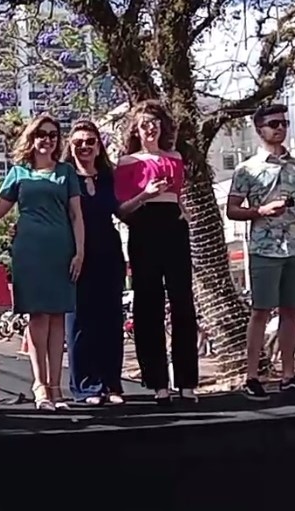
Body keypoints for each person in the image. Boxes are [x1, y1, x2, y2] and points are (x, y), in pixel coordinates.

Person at [226, 104, 295, 401]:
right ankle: (252, 377)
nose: (280, 128)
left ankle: (289, 375)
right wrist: (260, 210)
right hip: (264, 248)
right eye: (273, 124)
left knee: (291, 311)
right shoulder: (247, 169)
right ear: (260, 130)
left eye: (284, 123)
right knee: (260, 311)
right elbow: (232, 209)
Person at [0, 114, 85, 410]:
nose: (47, 140)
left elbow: (76, 215)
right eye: (41, 134)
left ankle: (56, 388)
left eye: (53, 135)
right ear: (31, 139)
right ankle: (40, 385)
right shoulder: (19, 172)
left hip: (61, 250)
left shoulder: (66, 172)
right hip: (29, 252)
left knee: (58, 317)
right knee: (38, 317)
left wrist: (80, 252)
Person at [114, 100, 198, 403]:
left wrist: (184, 211)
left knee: (183, 302)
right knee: (148, 303)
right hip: (143, 227)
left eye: (155, 123)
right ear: (136, 130)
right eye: (144, 124)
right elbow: (121, 209)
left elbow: (177, 193)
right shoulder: (127, 163)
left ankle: (187, 381)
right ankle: (158, 381)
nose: (150, 128)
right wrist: (145, 194)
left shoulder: (175, 157)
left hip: (174, 227)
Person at [60, 120, 127, 405]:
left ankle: (112, 384)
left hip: (109, 252)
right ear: (70, 147)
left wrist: (149, 196)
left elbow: (122, 210)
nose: (85, 146)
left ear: (99, 146)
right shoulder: (64, 177)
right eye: (78, 142)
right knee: (79, 322)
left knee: (111, 320)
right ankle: (86, 386)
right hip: (76, 254)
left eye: (90, 141)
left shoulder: (109, 177)